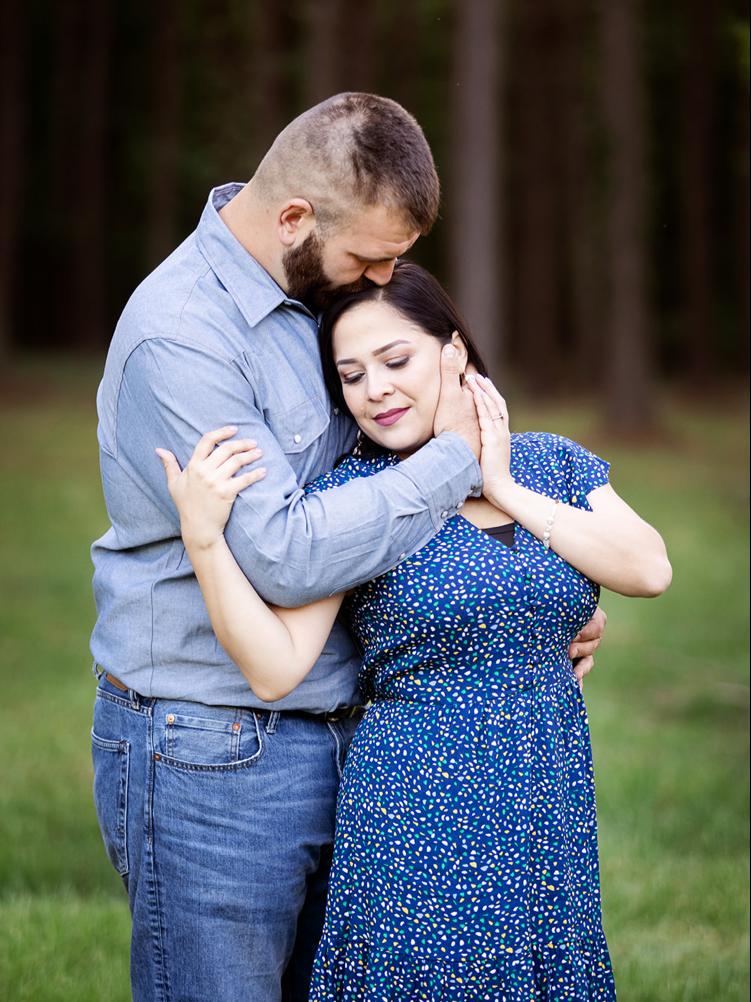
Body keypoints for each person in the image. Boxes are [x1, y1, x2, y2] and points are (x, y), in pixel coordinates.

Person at [90, 93, 606, 1002]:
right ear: (295, 219)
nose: (382, 279)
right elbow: (286, 556)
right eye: (370, 259)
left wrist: (530, 608)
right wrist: (456, 458)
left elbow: (372, 495)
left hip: (359, 736)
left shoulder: (314, 296)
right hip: (215, 749)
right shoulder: (183, 335)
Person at [156, 262, 672, 1000]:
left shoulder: (550, 464)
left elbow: (648, 568)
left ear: (453, 353)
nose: (375, 390)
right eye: (352, 375)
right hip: (418, 802)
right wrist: (205, 541)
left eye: (395, 361)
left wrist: (500, 485)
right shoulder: (357, 496)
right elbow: (275, 666)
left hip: (547, 795)